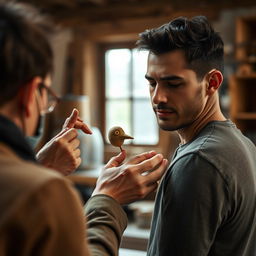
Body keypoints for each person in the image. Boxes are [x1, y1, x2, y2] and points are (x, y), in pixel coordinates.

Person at [0, 2, 168, 255]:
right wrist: (106, 199)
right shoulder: (44, 195)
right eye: (45, 95)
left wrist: (37, 167)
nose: (159, 98)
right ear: (29, 94)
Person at [136, 16, 256, 255]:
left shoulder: (199, 161)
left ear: (212, 82)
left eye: (173, 84)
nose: (158, 97)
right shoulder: (243, 144)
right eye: (152, 83)